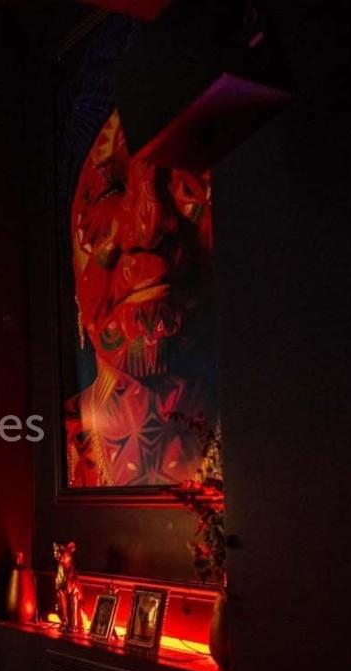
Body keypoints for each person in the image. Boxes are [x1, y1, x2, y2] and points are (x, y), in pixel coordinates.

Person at [65, 109, 215, 488]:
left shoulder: (269, 420)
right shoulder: (59, 439)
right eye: (111, 191)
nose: (146, 227)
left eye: (185, 184)